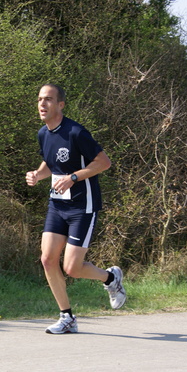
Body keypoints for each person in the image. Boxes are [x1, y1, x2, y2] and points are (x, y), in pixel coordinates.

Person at [25, 84, 126, 334]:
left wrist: (73, 177)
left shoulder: (76, 132)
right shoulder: (43, 134)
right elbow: (51, 162)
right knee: (48, 260)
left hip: (83, 205)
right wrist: (38, 174)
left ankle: (111, 279)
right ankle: (67, 317)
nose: (42, 104)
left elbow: (104, 162)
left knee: (72, 268)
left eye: (48, 99)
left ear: (60, 105)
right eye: (39, 99)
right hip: (57, 205)